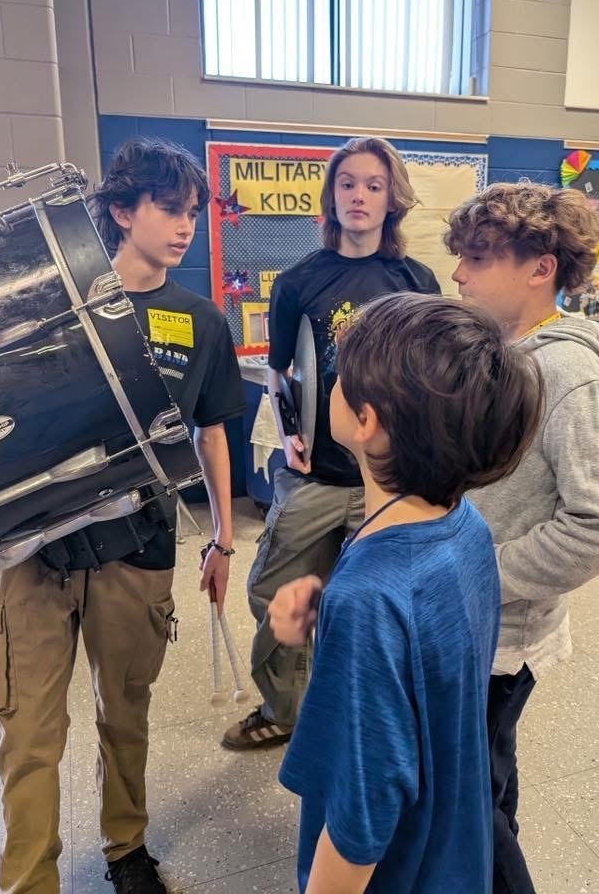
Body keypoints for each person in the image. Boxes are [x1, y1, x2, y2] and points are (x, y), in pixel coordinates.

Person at [0, 137, 244, 894]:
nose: (185, 225)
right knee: (29, 734)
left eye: (192, 212)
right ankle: (30, 879)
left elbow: (214, 432)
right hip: (33, 554)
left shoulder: (199, 321)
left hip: (139, 550)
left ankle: (126, 849)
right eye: (168, 209)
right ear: (122, 211)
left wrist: (224, 539)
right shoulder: (49, 309)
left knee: (126, 714)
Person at [268, 292, 543, 893]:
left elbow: (361, 814)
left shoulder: (371, 598)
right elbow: (429, 654)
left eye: (341, 376)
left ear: (367, 421)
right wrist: (328, 613)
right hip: (454, 850)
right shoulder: (464, 525)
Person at [445, 181, 599, 893]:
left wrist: (476, 572)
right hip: (474, 625)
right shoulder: (509, 351)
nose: (460, 273)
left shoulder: (565, 372)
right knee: (487, 780)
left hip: (501, 632)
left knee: (467, 805)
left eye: (478, 257)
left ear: (540, 267)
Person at [221, 137, 441, 751]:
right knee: (275, 595)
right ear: (331, 195)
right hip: (316, 476)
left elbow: (429, 377)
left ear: (391, 197)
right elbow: (280, 371)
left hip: (389, 483)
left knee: (375, 605)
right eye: (348, 183)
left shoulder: (416, 280)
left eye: (373, 185)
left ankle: (367, 717)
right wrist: (290, 435)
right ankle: (287, 709)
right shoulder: (298, 281)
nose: (359, 196)